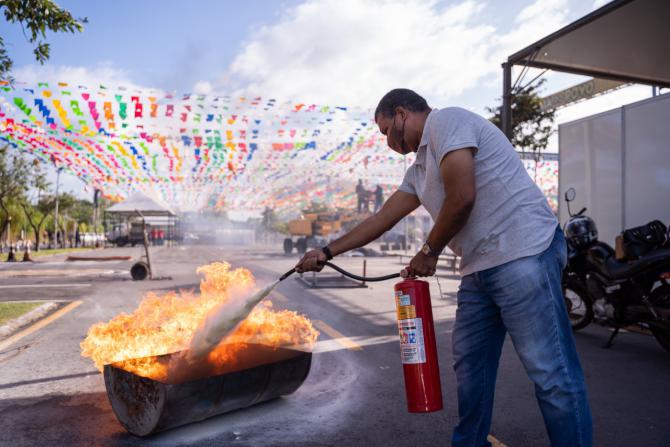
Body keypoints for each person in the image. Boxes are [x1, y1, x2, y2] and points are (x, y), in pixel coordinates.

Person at [296, 88, 592, 447]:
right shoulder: (419, 170)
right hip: (480, 267)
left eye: (387, 131)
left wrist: (429, 250)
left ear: (402, 113)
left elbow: (462, 196)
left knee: (551, 372)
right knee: (471, 367)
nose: (388, 143)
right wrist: (325, 252)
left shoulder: (447, 122)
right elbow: (381, 220)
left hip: (523, 251)